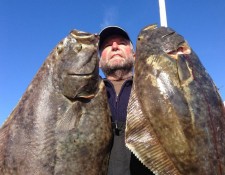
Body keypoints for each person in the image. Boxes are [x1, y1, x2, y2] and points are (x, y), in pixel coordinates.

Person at [98, 26, 154, 175]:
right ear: (98, 62)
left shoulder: (154, 89)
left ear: (134, 56)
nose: (115, 47)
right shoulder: (85, 95)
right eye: (107, 45)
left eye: (122, 43)